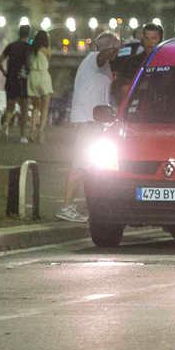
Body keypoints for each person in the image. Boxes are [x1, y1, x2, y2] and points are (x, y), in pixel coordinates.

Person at [58, 32, 121, 223]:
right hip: (87, 121)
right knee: (79, 165)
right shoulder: (95, 59)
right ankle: (66, 207)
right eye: (114, 49)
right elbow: (102, 56)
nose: (116, 53)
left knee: (91, 167)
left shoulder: (105, 65)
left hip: (97, 121)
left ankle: (89, 205)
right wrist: (112, 48)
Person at [110, 22, 166, 102]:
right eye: (147, 38)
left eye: (153, 38)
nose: (149, 42)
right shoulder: (132, 62)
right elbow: (121, 88)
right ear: (142, 39)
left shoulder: (167, 61)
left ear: (160, 40)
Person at [0, 24, 34, 142]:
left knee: (10, 107)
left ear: (19, 33)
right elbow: (29, 64)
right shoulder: (29, 48)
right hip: (23, 80)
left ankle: (6, 123)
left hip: (11, 79)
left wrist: (4, 72)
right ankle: (23, 136)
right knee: (24, 109)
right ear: (28, 34)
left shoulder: (11, 46)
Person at [26, 30, 54, 143]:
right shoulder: (45, 50)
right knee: (45, 108)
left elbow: (28, 64)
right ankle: (41, 132)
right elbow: (50, 56)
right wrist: (49, 42)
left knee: (35, 107)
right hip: (43, 76)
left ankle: (32, 132)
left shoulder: (30, 51)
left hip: (32, 77)